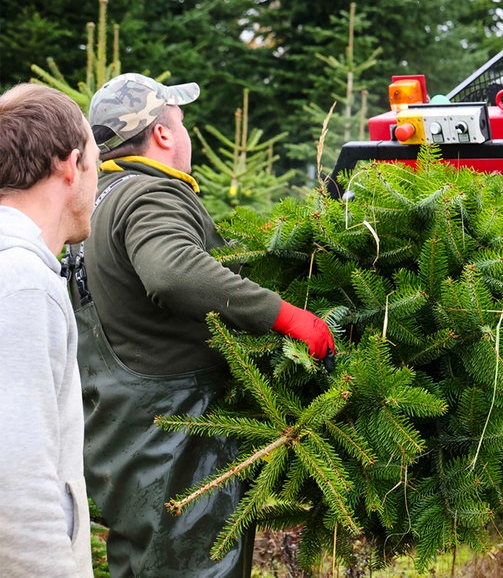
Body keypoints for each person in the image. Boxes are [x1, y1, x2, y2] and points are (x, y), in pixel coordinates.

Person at [78, 73, 334, 577]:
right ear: (163, 134)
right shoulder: (150, 195)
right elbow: (172, 273)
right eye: (181, 120)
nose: (185, 132)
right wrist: (283, 314)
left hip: (118, 431)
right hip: (176, 437)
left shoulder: (95, 203)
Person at [0, 83, 99, 576]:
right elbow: (15, 480)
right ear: (69, 164)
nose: (96, 183)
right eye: (95, 165)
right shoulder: (23, 284)